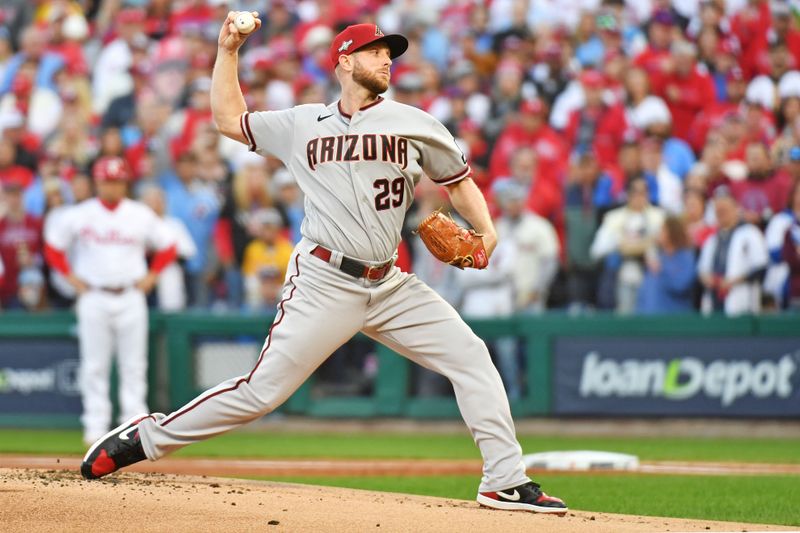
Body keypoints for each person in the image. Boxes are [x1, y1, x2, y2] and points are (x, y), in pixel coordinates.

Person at [78, 16, 567, 515]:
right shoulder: (301, 123)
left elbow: (458, 181)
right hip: (324, 281)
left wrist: (485, 231)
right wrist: (227, 51)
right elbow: (230, 120)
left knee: (471, 357)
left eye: (389, 53)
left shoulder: (417, 122)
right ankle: (146, 438)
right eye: (375, 51)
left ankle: (504, 480)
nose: (386, 59)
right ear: (345, 61)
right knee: (260, 394)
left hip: (391, 284)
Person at [43, 156, 177, 446]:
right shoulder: (81, 213)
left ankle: (135, 426)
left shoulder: (139, 213)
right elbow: (53, 247)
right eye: (106, 180)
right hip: (94, 294)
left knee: (134, 365)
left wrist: (153, 275)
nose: (112, 186)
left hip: (130, 294)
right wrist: (70, 277)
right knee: (94, 365)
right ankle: (96, 425)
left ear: (125, 182)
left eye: (117, 181)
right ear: (97, 182)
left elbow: (168, 245)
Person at [698, 187, 769, 316]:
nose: (721, 214)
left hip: (742, 302)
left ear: (736, 209)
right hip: (714, 303)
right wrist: (707, 278)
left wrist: (732, 281)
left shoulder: (750, 233)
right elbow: (702, 270)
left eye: (725, 210)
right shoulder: (712, 239)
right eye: (718, 211)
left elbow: (761, 269)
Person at [636, 215, 697, 314]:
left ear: (672, 233)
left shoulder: (685, 257)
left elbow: (681, 285)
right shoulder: (659, 258)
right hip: (648, 322)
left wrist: (662, 270)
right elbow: (644, 293)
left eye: (663, 230)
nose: (659, 234)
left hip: (673, 322)